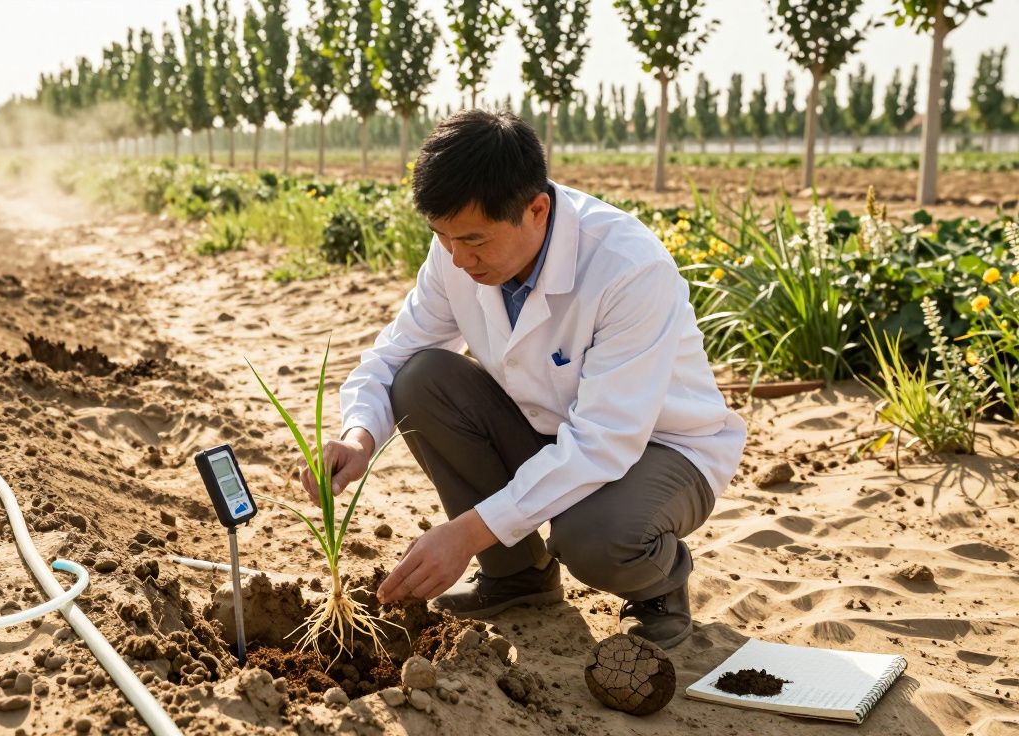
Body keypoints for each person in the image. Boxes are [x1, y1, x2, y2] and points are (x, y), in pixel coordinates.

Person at [301, 109, 746, 650]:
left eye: (474, 241)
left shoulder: (627, 268)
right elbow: (395, 353)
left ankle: (659, 587)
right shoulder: (457, 254)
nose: (459, 259)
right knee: (422, 379)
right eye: (442, 238)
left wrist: (464, 534)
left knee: (592, 537)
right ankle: (516, 577)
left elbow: (605, 442)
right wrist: (359, 435)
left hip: (661, 448)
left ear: (536, 210)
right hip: (549, 428)